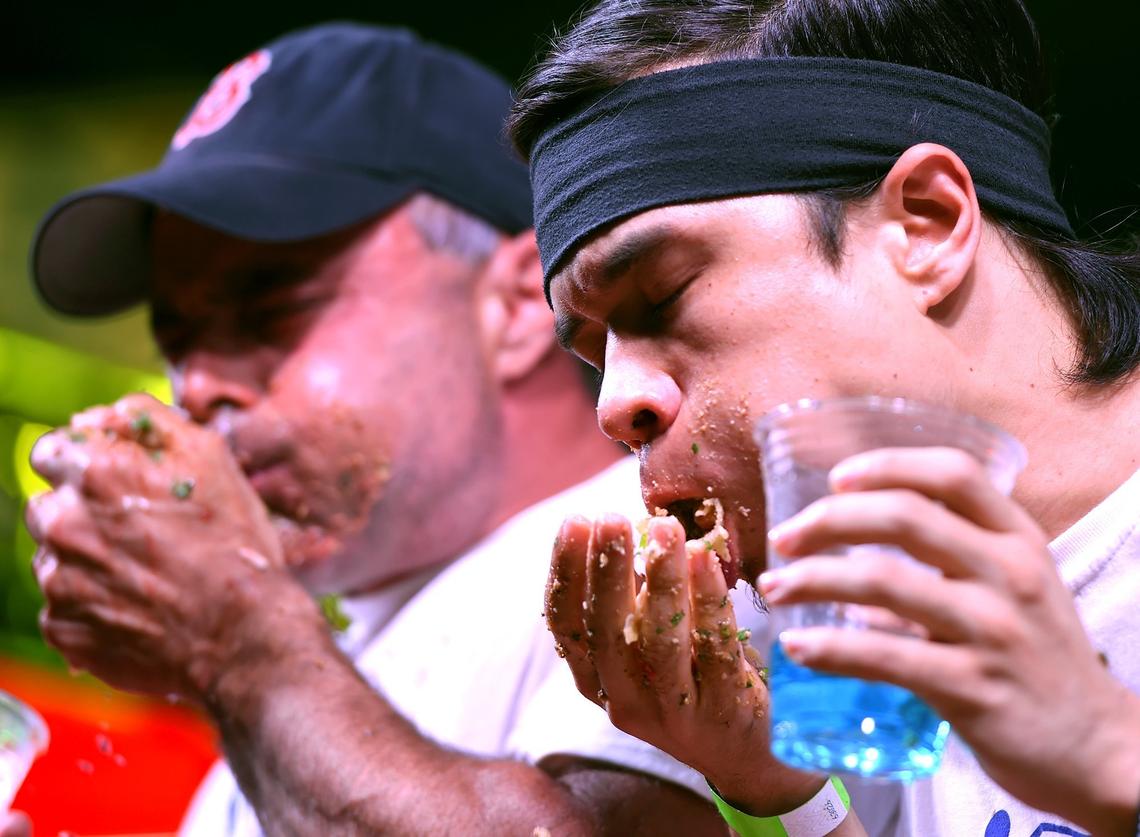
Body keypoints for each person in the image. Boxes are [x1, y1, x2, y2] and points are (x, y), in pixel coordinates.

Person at [23, 23, 731, 835]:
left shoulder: (684, 547)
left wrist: (237, 636)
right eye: (178, 338)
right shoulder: (303, 681)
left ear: (512, 304)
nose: (202, 383)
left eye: (269, 309)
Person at [506, 0, 1140, 835]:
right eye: (593, 351)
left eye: (660, 295)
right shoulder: (791, 636)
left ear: (927, 222)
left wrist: (1108, 757)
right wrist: (776, 797)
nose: (614, 406)